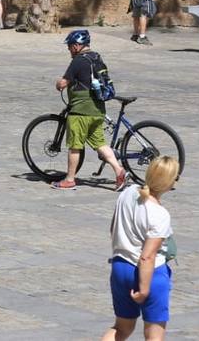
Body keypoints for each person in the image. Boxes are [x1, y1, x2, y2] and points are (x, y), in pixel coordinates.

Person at [101, 155, 180, 341]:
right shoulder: (160, 214)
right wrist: (144, 290)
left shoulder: (127, 193)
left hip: (120, 267)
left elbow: (113, 229)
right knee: (153, 335)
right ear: (169, 182)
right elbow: (147, 257)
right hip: (150, 275)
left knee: (121, 328)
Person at [53, 29, 127, 191]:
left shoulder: (78, 61)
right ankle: (119, 170)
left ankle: (69, 179)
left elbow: (64, 83)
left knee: (75, 146)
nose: (68, 49)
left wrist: (58, 84)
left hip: (81, 110)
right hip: (98, 110)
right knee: (100, 144)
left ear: (77, 46)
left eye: (70, 46)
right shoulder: (96, 57)